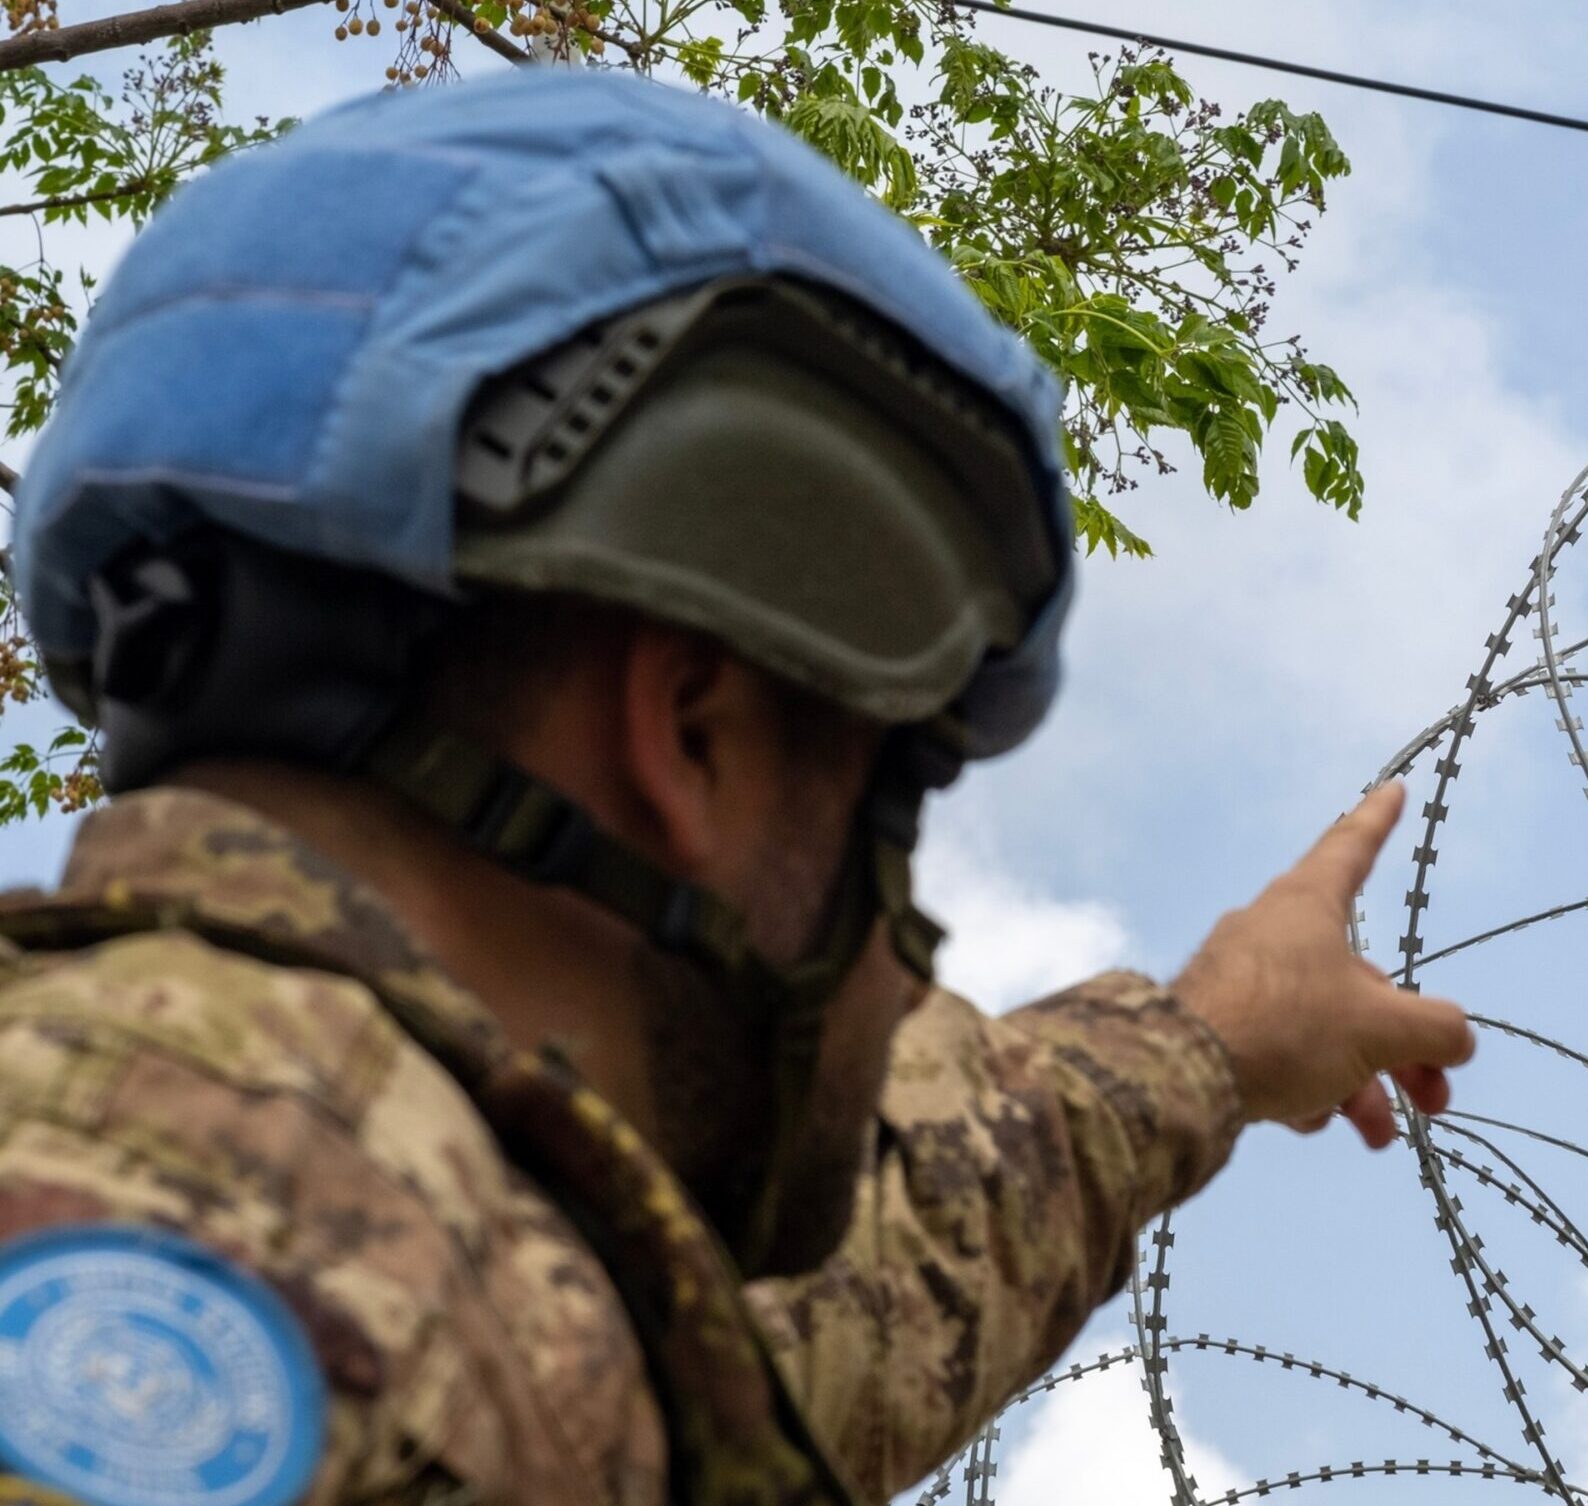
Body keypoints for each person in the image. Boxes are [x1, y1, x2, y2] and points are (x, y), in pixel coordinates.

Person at [0, 68, 1473, 1506]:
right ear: (691, 736)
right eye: (889, 822)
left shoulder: (436, 1283)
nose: (904, 969)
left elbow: (861, 1286)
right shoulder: (216, 1252)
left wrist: (1220, 1035)